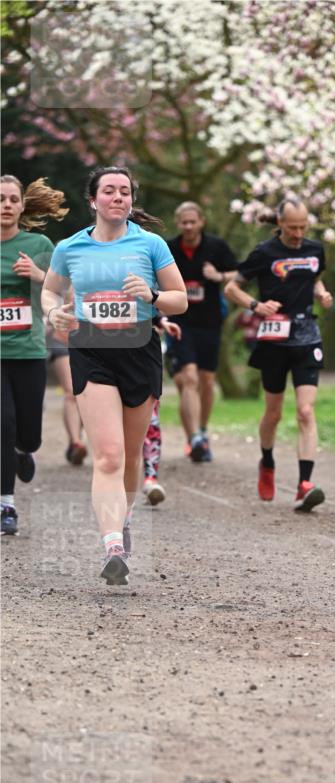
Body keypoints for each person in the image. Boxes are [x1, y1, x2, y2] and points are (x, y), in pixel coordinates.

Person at [42, 166, 187, 584]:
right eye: (109, 191)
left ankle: (122, 519)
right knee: (106, 453)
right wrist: (55, 311)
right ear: (94, 200)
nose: (118, 197)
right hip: (90, 350)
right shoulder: (70, 248)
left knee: (129, 454)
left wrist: (153, 296)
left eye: (125, 191)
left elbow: (180, 300)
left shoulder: (151, 245)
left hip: (139, 351)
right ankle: (112, 544)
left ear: (131, 200)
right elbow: (51, 290)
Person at [225, 198, 333, 511]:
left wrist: (321, 293)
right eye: (292, 227)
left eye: (303, 227)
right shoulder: (265, 253)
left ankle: (304, 484)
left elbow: (315, 276)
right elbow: (232, 288)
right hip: (273, 339)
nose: (298, 233)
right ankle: (268, 462)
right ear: (280, 225)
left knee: (305, 411)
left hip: (307, 336)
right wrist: (255, 306)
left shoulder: (315, 249)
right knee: (273, 413)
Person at [1, 175, 68, 536]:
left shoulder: (38, 243)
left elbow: (63, 287)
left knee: (28, 433)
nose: (7, 205)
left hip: (28, 351)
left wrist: (39, 273)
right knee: (3, 423)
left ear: (23, 206)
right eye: (1, 199)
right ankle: (6, 505)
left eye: (13, 199)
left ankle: (25, 451)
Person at [165, 201, 238, 462]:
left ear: (201, 222)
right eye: (183, 222)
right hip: (179, 322)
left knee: (206, 381)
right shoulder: (169, 248)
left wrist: (218, 276)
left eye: (192, 222)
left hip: (209, 322)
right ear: (177, 223)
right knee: (189, 378)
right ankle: (194, 437)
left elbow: (239, 273)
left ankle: (202, 432)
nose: (188, 226)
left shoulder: (216, 247)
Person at [141, 314, 182, 507]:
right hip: (104, 355)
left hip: (145, 350)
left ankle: (151, 479)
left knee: (151, 420)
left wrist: (160, 321)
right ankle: (115, 477)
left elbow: (153, 298)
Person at [46, 331, 87, 465]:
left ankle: (74, 440)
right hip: (62, 337)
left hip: (91, 338)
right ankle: (76, 442)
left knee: (84, 394)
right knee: (72, 393)